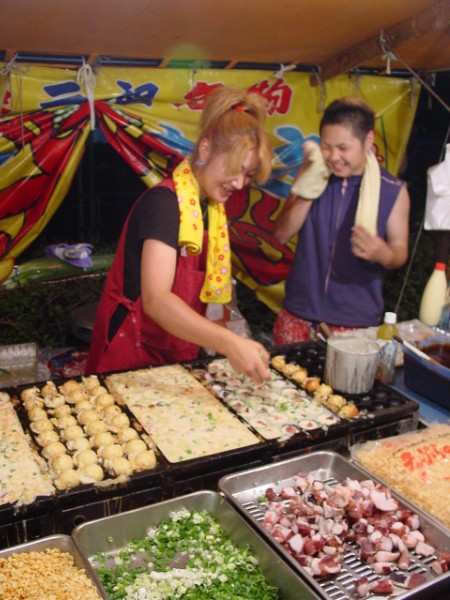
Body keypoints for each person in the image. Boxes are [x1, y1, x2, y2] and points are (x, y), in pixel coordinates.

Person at [86, 86, 273, 382]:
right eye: (234, 168)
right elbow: (157, 300)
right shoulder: (164, 204)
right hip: (131, 350)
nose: (239, 183)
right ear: (205, 148)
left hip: (174, 349)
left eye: (248, 174)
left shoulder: (210, 208)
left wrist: (233, 333)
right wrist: (229, 343)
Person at [273, 96, 410, 344]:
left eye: (343, 148)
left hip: (354, 323)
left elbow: (399, 252)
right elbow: (281, 234)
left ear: (368, 140)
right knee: (283, 383)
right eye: (326, 146)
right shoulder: (312, 173)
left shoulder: (393, 190)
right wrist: (306, 191)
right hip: (297, 313)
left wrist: (383, 253)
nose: (333, 157)